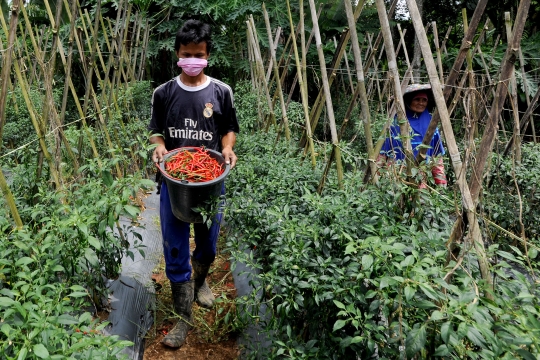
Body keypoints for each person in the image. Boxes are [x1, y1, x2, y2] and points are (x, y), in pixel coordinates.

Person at [148, 19, 240, 348]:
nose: (192, 60)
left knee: (208, 245)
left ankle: (200, 282)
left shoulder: (221, 92)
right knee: (175, 250)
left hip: (210, 181)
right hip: (174, 182)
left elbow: (229, 128)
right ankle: (182, 319)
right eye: (186, 54)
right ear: (177, 54)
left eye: (198, 54)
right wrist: (160, 146)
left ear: (208, 55)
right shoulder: (164, 93)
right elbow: (156, 130)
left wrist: (227, 148)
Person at [377, 84, 447, 188]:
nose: (421, 103)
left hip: (420, 176)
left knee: (419, 201)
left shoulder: (431, 123)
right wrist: (376, 177)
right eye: (417, 99)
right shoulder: (395, 123)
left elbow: (436, 156)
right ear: (409, 101)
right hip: (396, 174)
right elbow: (382, 153)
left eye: (424, 100)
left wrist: (441, 182)